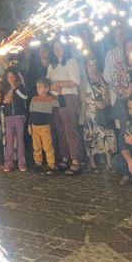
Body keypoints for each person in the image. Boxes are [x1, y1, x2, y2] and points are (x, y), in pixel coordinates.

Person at [47, 40, 83, 175]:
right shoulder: (52, 65)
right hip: (54, 98)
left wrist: (59, 83)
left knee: (70, 128)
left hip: (67, 97)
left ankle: (76, 161)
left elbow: (75, 82)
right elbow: (48, 82)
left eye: (60, 48)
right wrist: (52, 86)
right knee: (60, 129)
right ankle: (65, 157)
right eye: (55, 48)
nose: (57, 50)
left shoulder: (72, 62)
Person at [84, 57, 114, 173]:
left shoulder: (102, 78)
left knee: (107, 133)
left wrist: (105, 102)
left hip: (104, 110)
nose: (92, 68)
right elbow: (81, 95)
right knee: (92, 134)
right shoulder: (84, 79)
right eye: (90, 65)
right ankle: (92, 161)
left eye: (94, 65)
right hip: (90, 111)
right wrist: (94, 102)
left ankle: (109, 161)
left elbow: (109, 92)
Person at [28, 78, 58, 175]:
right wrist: (29, 125)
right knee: (36, 146)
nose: (38, 90)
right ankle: (38, 163)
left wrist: (58, 94)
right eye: (37, 87)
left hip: (45, 127)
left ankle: (51, 164)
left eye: (40, 87)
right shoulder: (34, 98)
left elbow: (61, 104)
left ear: (46, 89)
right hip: (35, 127)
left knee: (47, 146)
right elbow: (30, 112)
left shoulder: (50, 100)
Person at [1, 68, 28, 171]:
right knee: (9, 140)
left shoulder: (21, 87)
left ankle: (22, 163)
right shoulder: (4, 88)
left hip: (19, 116)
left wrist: (16, 89)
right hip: (8, 116)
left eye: (13, 77)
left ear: (16, 77)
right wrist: (11, 89)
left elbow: (25, 97)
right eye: (9, 77)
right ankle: (8, 162)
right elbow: (5, 101)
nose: (11, 79)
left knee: (20, 140)